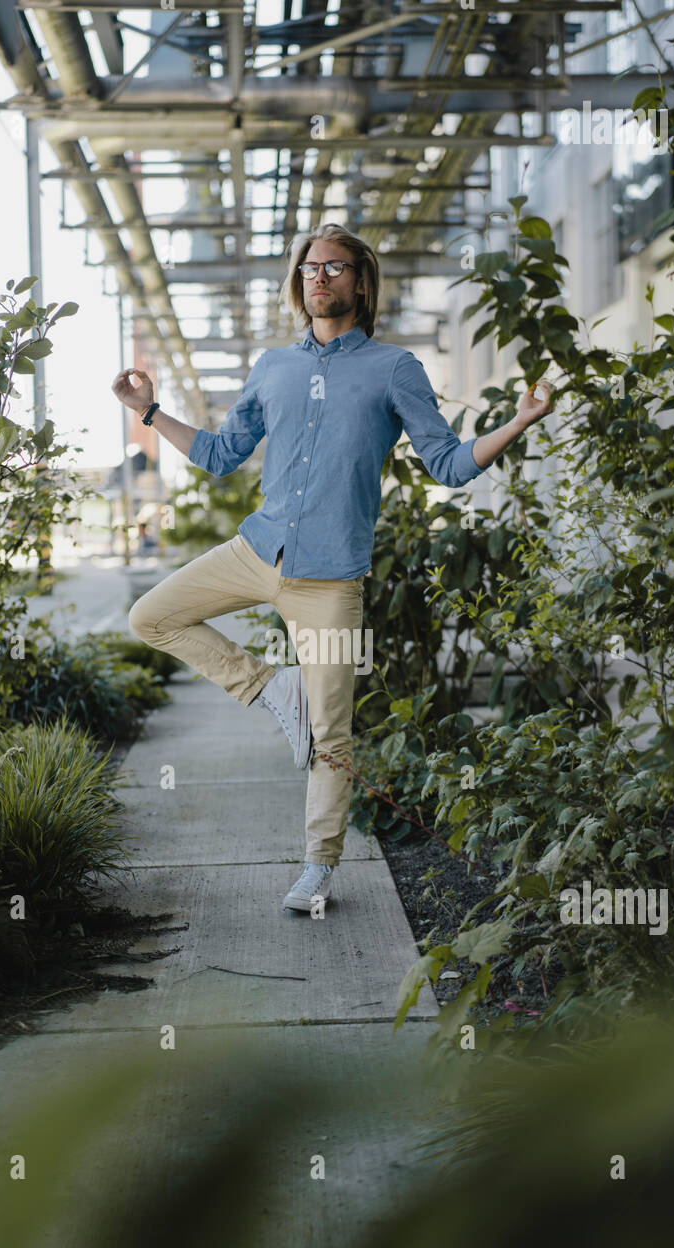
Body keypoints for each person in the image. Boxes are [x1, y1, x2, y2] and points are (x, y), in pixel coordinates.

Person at [113, 223, 554, 914]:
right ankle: (268, 688)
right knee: (152, 615)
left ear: (360, 282)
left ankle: (318, 868)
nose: (320, 278)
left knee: (333, 736)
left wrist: (518, 422)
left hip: (330, 579)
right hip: (255, 551)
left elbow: (446, 464)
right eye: (311, 268)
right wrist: (150, 412)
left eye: (335, 268)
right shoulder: (273, 367)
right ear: (299, 281)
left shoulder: (392, 369)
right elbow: (223, 453)